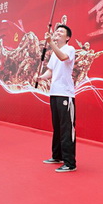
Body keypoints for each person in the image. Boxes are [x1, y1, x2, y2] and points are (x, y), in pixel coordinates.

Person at [37, 24, 77, 173]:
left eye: (61, 32)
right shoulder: (54, 52)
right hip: (54, 93)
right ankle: (57, 156)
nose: (58, 33)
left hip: (66, 94)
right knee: (57, 127)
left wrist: (50, 42)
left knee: (66, 128)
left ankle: (70, 163)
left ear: (67, 37)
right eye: (57, 31)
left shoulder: (69, 49)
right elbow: (50, 71)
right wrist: (41, 77)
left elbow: (63, 57)